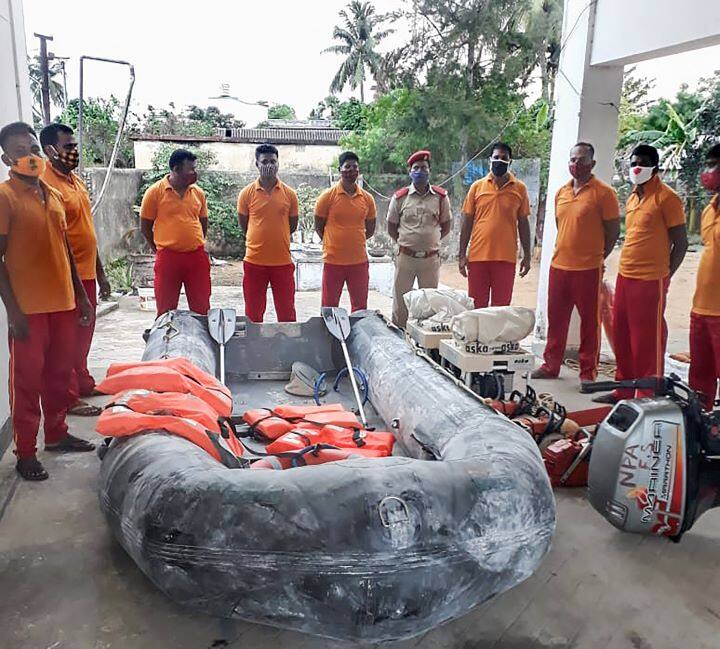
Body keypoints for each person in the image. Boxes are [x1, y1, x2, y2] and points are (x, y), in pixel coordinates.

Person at [0, 121, 95, 481]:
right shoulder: (5, 196)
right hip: (29, 310)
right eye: (21, 152)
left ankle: (56, 434)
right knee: (27, 383)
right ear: (7, 157)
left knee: (59, 376)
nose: (30, 157)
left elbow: (66, 249)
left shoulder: (52, 195)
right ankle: (26, 452)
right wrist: (13, 311)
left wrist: (81, 298)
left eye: (34, 150)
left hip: (64, 304)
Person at [594, 144, 688, 404]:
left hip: (651, 279)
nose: (637, 167)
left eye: (644, 163)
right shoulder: (634, 197)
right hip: (626, 275)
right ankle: (624, 388)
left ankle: (647, 391)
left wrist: (665, 276)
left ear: (655, 167)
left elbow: (680, 243)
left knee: (646, 339)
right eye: (634, 162)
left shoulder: (667, 198)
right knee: (622, 333)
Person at [532, 143, 620, 390]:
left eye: (581, 160)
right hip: (560, 266)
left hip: (589, 269)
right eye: (572, 159)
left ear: (592, 163)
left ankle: (587, 372)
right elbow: (563, 226)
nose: (576, 164)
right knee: (556, 319)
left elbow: (613, 231)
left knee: (589, 323)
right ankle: (551, 366)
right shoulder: (561, 192)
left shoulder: (604, 193)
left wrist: (598, 256)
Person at [40, 122, 111, 417]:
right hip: (65, 278)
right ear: (50, 150)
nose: (74, 151)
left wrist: (101, 273)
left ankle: (82, 383)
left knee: (83, 335)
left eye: (74, 145)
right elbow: (57, 237)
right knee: (66, 341)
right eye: (68, 146)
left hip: (87, 271)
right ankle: (68, 398)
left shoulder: (74, 181)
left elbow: (86, 229)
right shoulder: (46, 184)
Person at [458, 142, 532, 308]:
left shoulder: (520, 189)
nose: (500, 161)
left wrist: (527, 255)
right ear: (490, 160)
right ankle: (478, 336)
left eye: (504, 158)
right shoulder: (476, 187)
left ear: (510, 161)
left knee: (501, 309)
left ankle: (496, 336)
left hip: (505, 259)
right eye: (496, 157)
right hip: (478, 258)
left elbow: (524, 223)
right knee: (477, 307)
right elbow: (467, 222)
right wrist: (462, 254)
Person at [140, 149, 211, 316]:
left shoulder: (198, 193)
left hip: (196, 257)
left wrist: (196, 240)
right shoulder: (155, 192)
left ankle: (201, 340)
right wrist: (158, 249)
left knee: (202, 306)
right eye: (191, 169)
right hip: (168, 258)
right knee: (166, 308)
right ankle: (165, 340)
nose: (195, 173)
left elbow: (203, 221)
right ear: (177, 169)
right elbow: (145, 226)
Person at [387, 149, 452, 327]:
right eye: (416, 168)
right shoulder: (400, 198)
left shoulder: (440, 197)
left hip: (430, 260)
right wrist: (406, 242)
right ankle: (398, 338)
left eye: (424, 167)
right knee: (401, 304)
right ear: (410, 172)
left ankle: (425, 343)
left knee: (429, 304)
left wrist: (431, 240)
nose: (420, 171)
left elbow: (446, 225)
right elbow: (391, 226)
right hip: (406, 258)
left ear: (429, 171)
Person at [237, 144, 299, 323]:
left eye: (273, 161)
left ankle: (287, 348)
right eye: (265, 161)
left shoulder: (290, 194)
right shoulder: (246, 194)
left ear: (278, 163)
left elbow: (292, 226)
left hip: (283, 262)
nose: (269, 165)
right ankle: (253, 348)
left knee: (287, 312)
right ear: (257, 164)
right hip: (254, 262)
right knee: (253, 313)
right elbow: (245, 224)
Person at [314, 151, 376, 312]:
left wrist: (353, 240)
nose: (351, 171)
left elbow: (370, 229)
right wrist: (333, 241)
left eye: (355, 167)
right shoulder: (327, 197)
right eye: (347, 167)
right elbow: (319, 226)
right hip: (333, 261)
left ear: (359, 170)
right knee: (329, 307)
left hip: (359, 262)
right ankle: (329, 337)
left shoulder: (367, 198)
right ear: (340, 169)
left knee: (360, 307)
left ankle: (357, 336)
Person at [689, 143, 720, 409]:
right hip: (702, 306)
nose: (708, 171)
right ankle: (703, 425)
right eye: (707, 165)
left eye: (714, 165)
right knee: (700, 377)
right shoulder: (710, 207)